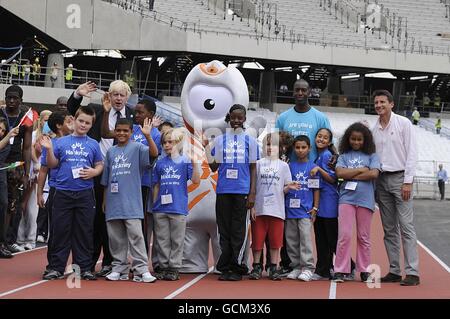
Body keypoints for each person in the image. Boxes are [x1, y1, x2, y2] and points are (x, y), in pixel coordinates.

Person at [67, 80, 135, 277]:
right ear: (109, 96)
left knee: (113, 219)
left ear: (127, 97)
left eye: (122, 95)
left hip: (122, 173)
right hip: (96, 171)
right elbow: (73, 110)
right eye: (115, 94)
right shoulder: (97, 109)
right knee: (94, 218)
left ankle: (110, 262)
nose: (119, 98)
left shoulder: (132, 115)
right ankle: (88, 263)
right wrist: (78, 93)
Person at [40, 105, 103, 280]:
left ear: (91, 125)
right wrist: (49, 149)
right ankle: (55, 267)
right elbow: (51, 164)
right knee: (60, 231)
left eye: (87, 123)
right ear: (73, 120)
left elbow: (100, 164)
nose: (83, 125)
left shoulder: (93, 144)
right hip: (62, 192)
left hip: (85, 193)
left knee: (84, 232)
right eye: (81, 121)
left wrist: (94, 172)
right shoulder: (59, 142)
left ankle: (83, 268)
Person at [204, 104, 259, 281]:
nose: (236, 121)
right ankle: (225, 266)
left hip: (242, 190)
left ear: (244, 119)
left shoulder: (250, 141)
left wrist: (252, 193)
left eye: (239, 118)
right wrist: (206, 149)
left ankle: (237, 266)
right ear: (229, 118)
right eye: (233, 117)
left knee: (238, 230)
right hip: (223, 190)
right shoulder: (220, 140)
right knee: (224, 229)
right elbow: (213, 167)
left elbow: (253, 169)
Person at [371, 89, 420, 286]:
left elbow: (412, 153)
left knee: (406, 227)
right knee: (389, 228)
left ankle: (413, 272)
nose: (379, 105)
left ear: (391, 104)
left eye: (382, 102)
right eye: (376, 103)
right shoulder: (373, 129)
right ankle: (394, 269)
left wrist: (408, 181)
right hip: (381, 181)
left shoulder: (404, 123)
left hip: (400, 179)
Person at [102, 118, 158, 283]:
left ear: (131, 132)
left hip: (132, 202)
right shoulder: (110, 152)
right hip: (113, 202)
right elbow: (106, 180)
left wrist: (148, 136)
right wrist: (105, 200)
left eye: (125, 130)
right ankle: (119, 268)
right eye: (118, 130)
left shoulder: (138, 148)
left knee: (136, 237)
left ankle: (142, 269)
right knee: (116, 238)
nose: (121, 133)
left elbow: (154, 154)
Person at [332, 122, 380, 283]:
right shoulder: (344, 156)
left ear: (365, 140)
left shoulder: (373, 156)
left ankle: (365, 270)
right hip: (346, 199)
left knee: (363, 237)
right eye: (353, 139)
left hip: (366, 201)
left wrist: (349, 174)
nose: (356, 142)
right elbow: (339, 172)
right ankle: (340, 270)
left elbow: (373, 174)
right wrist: (361, 170)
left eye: (360, 139)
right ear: (348, 139)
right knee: (344, 236)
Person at [152, 127, 201, 280]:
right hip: (160, 208)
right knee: (162, 239)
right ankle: (164, 266)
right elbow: (156, 185)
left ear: (178, 143)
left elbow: (195, 180)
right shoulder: (159, 163)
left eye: (170, 142)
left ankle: (174, 267)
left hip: (178, 207)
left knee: (177, 239)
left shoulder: (184, 161)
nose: (167, 145)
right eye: (164, 142)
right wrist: (155, 205)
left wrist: (195, 163)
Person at [248, 132, 298, 281]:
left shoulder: (284, 166)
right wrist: (252, 206)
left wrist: (290, 187)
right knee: (257, 240)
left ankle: (273, 267)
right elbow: (253, 188)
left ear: (281, 148)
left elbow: (284, 188)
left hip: (277, 209)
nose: (270, 148)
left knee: (275, 241)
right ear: (263, 147)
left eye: (274, 145)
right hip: (259, 208)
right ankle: (256, 266)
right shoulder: (257, 164)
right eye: (268, 144)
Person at [36, 111, 73, 274]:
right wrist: (39, 194)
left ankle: (66, 264)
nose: (72, 122)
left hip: (74, 190)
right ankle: (53, 264)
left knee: (72, 230)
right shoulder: (50, 143)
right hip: (57, 190)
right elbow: (43, 170)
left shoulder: (74, 142)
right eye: (68, 120)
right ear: (59, 125)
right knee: (57, 230)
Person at [0, 85, 33, 254]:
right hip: (0, 161)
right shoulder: (0, 114)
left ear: (21, 100)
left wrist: (26, 173)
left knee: (12, 206)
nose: (11, 101)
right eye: (8, 98)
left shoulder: (25, 119)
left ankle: (7, 241)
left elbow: (27, 148)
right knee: (3, 203)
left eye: (15, 98)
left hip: (14, 166)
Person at [284, 135, 319, 282]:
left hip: (305, 210)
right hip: (290, 209)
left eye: (303, 147)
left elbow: (316, 189)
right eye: (297, 147)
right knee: (291, 239)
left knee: (305, 239)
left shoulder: (312, 167)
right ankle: (296, 266)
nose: (300, 150)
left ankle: (308, 267)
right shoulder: (289, 166)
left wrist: (315, 208)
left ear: (309, 148)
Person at [16, 110, 52, 250]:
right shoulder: (33, 134)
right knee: (22, 206)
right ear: (40, 120)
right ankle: (19, 239)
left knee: (33, 209)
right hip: (29, 173)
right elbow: (28, 148)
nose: (47, 123)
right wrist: (36, 163)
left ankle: (30, 240)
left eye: (50, 120)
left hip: (42, 177)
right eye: (45, 120)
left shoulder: (52, 137)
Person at [276, 79, 332, 164]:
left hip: (313, 171)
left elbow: (330, 143)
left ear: (309, 92)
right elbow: (273, 142)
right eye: (297, 90)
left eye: (303, 90)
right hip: (288, 170)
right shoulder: (282, 118)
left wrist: (335, 155)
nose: (300, 93)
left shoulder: (321, 118)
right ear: (293, 92)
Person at [310, 128, 340, 281]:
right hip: (321, 202)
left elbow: (333, 179)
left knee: (331, 238)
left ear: (329, 142)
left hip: (328, 201)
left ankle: (347, 266)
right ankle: (324, 268)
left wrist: (319, 170)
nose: (321, 139)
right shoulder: (319, 155)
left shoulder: (327, 155)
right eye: (319, 136)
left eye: (325, 137)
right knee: (321, 237)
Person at [0, 120, 20, 258]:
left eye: (3, 130)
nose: (1, 132)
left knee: (3, 204)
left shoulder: (6, 143)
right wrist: (8, 136)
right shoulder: (5, 140)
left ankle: (1, 243)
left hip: (1, 174)